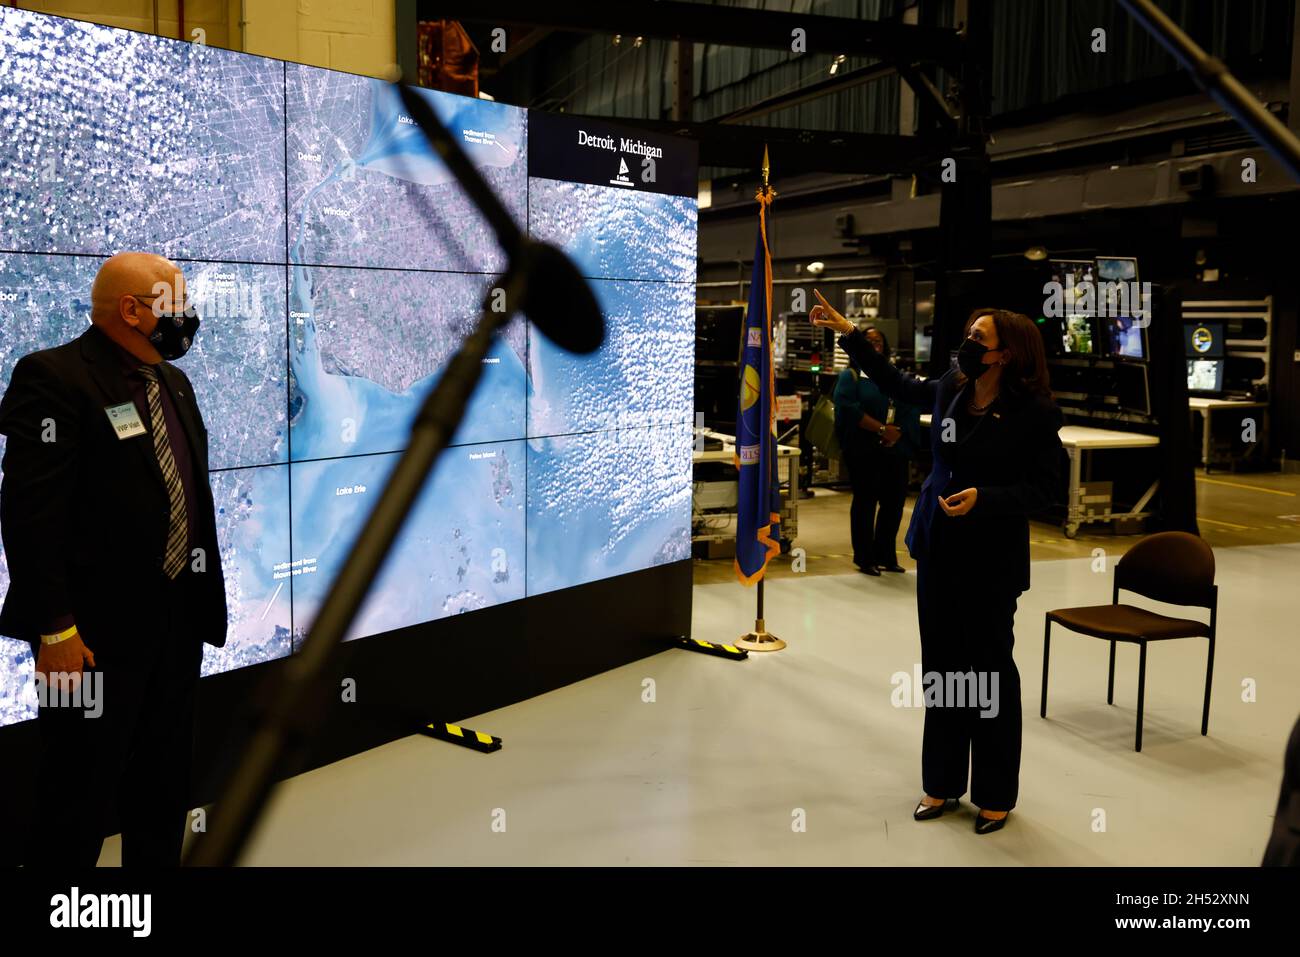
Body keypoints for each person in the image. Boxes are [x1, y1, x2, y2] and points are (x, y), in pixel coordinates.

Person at [0, 252, 227, 866]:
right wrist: (55, 630)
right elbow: (29, 517)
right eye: (177, 306)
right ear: (132, 310)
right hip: (89, 640)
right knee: (76, 793)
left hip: (175, 630)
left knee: (162, 788)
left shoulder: (172, 383)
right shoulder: (54, 377)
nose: (189, 319)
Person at [812, 290, 1062, 834]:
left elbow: (1047, 487)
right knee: (943, 669)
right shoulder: (952, 386)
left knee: (989, 671)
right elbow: (900, 384)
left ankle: (995, 792)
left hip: (990, 556)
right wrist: (849, 334)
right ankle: (942, 783)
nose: (968, 345)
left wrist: (986, 499)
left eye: (980, 339)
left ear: (1006, 355)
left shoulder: (1034, 411)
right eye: (970, 335)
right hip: (938, 546)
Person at [831, 325, 921, 575]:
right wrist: (882, 430)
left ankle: (886, 555)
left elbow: (911, 405)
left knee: (893, 504)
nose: (874, 345)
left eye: (879, 341)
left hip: (895, 450)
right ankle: (865, 557)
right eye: (868, 341)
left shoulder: (895, 376)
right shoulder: (850, 376)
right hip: (864, 450)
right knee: (865, 502)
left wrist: (898, 433)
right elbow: (848, 408)